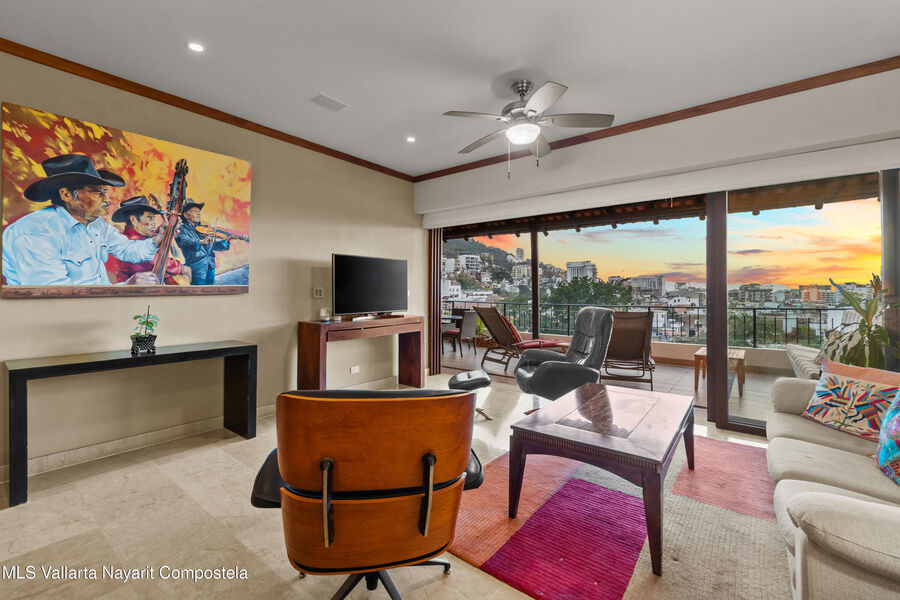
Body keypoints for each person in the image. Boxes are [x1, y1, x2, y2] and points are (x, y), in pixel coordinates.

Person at [2, 154, 171, 286]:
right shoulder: (36, 233)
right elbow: (55, 295)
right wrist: (126, 286)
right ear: (66, 195)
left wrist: (158, 239)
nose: (106, 199)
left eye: (105, 191)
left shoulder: (96, 224)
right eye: (97, 192)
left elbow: (127, 250)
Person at [106, 196, 191, 284]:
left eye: (154, 219)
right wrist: (180, 267)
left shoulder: (140, 236)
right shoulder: (129, 242)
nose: (154, 223)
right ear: (134, 220)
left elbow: (150, 242)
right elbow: (152, 261)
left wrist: (165, 232)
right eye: (150, 219)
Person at [175, 200, 233, 285]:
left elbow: (213, 246)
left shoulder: (204, 229)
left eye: (199, 212)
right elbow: (183, 241)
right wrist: (201, 242)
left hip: (210, 266)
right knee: (197, 291)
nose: (198, 214)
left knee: (210, 290)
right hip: (196, 268)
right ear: (186, 215)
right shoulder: (182, 229)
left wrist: (226, 240)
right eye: (195, 211)